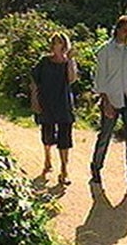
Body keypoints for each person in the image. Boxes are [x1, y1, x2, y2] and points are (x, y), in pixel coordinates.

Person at [89, 15, 127, 191]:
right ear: (117, 30)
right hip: (111, 98)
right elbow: (100, 78)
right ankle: (96, 167)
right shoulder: (105, 51)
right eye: (125, 31)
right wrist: (105, 102)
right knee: (105, 135)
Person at [30, 32, 78, 186]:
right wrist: (34, 100)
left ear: (65, 45)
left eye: (60, 42)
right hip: (46, 103)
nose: (58, 46)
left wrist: (70, 60)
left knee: (65, 139)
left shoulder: (68, 62)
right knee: (47, 136)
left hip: (63, 103)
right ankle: (47, 159)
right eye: (55, 42)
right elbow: (34, 81)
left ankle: (64, 170)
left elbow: (71, 79)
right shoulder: (44, 61)